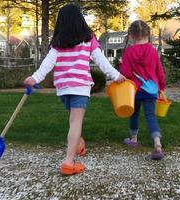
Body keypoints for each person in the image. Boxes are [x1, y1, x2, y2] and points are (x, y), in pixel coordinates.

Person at [24, 4, 125, 175]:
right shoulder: (88, 39)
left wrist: (35, 78)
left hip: (63, 88)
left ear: (61, 23)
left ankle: (78, 144)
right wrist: (116, 76)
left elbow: (47, 64)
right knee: (75, 122)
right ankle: (69, 162)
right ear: (80, 20)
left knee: (72, 121)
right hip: (79, 86)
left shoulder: (58, 42)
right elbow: (101, 61)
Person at [120, 20, 166, 160]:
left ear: (132, 35)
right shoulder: (152, 51)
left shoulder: (128, 52)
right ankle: (157, 143)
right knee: (150, 116)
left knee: (133, 114)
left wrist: (122, 66)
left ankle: (133, 139)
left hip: (134, 90)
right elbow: (159, 71)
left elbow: (126, 73)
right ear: (147, 34)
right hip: (151, 89)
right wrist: (162, 87)